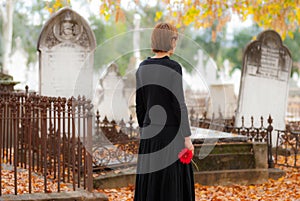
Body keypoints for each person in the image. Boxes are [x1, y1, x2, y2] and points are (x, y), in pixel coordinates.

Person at [134, 22, 195, 201]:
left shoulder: (142, 67)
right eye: (175, 39)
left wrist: (145, 131)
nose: (176, 43)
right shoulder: (173, 67)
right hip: (171, 135)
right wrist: (187, 137)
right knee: (170, 185)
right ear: (171, 41)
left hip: (150, 134)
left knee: (151, 184)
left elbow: (140, 106)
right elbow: (179, 105)